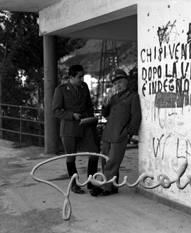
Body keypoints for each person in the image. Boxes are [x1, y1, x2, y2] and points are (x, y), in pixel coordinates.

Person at [52, 64, 100, 196]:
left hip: (85, 126)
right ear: (71, 77)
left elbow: (89, 105)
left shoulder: (84, 87)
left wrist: (91, 119)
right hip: (69, 128)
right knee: (71, 157)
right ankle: (75, 184)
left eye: (82, 76)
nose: (82, 79)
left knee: (94, 153)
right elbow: (55, 111)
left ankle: (91, 182)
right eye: (79, 76)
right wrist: (71, 115)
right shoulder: (60, 90)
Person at [95, 69, 142, 196]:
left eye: (120, 82)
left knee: (113, 162)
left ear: (126, 82)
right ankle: (113, 186)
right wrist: (104, 104)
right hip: (108, 134)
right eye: (115, 84)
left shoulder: (133, 96)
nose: (117, 85)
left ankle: (105, 186)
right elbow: (105, 115)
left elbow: (136, 117)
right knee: (105, 161)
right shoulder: (114, 97)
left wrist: (128, 134)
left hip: (120, 134)